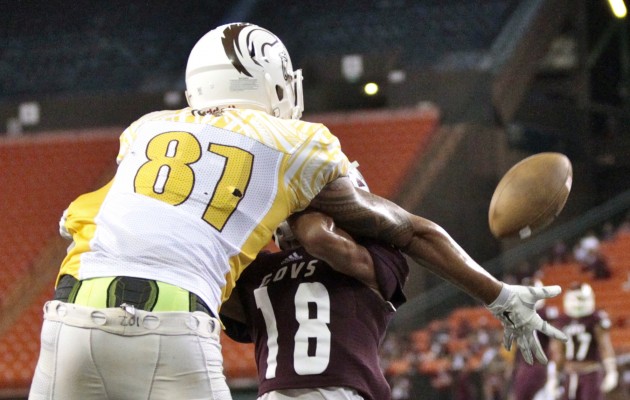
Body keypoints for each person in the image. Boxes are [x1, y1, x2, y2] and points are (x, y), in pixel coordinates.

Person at [30, 22, 566, 400]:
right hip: (170, 321)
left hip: (70, 318)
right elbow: (408, 231)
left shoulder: (145, 128)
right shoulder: (295, 140)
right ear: (271, 80)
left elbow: (99, 214)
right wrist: (501, 296)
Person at [219, 170, 409, 400]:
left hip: (347, 391)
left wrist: (289, 203)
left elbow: (318, 238)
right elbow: (209, 279)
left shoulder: (377, 254)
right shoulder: (260, 266)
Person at [548, 282, 619, 400]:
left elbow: (605, 346)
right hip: (569, 375)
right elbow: (558, 351)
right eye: (575, 299)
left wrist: (612, 371)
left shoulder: (596, 319)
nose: (577, 303)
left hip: (590, 373)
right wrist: (553, 377)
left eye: (581, 299)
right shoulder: (562, 320)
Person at [509, 279, 560, 400]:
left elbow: (555, 344)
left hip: (536, 366)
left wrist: (553, 370)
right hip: (529, 366)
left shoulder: (543, 314)